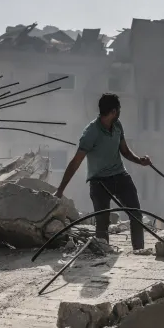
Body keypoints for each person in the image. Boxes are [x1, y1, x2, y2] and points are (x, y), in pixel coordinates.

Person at [55, 93, 151, 250]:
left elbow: (125, 152)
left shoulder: (117, 125)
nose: (119, 112)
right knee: (102, 222)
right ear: (113, 111)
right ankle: (102, 252)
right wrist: (60, 190)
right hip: (99, 181)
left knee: (136, 215)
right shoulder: (91, 132)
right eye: (118, 109)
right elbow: (76, 162)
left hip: (120, 176)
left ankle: (139, 250)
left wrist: (140, 160)